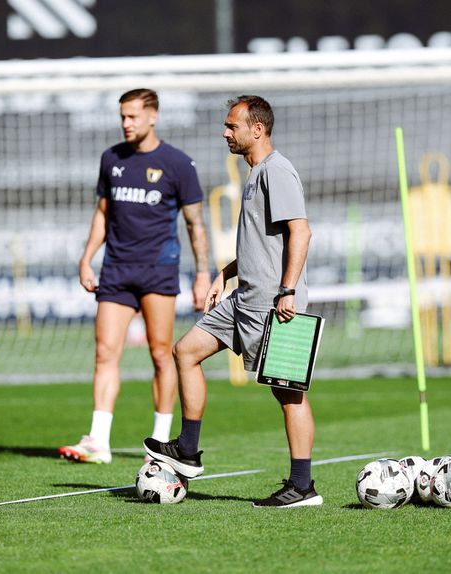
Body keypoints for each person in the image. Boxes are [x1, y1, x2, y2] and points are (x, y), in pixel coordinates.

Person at [144, 95, 320, 508]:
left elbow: (302, 232)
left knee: (288, 394)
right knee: (184, 351)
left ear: (256, 129)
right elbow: (261, 244)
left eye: (231, 126)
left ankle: (302, 487)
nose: (225, 133)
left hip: (275, 305)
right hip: (244, 298)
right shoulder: (256, 173)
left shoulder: (277, 172)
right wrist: (226, 274)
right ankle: (187, 450)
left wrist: (288, 290)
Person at [59, 88, 211, 465]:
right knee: (105, 353)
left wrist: (203, 274)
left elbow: (195, 225)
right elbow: (102, 213)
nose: (126, 123)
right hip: (116, 270)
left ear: (152, 116)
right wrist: (86, 257)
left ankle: (159, 445)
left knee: (162, 354)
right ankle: (98, 440)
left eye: (132, 116)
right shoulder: (111, 159)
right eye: (122, 116)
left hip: (158, 271)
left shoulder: (178, 164)